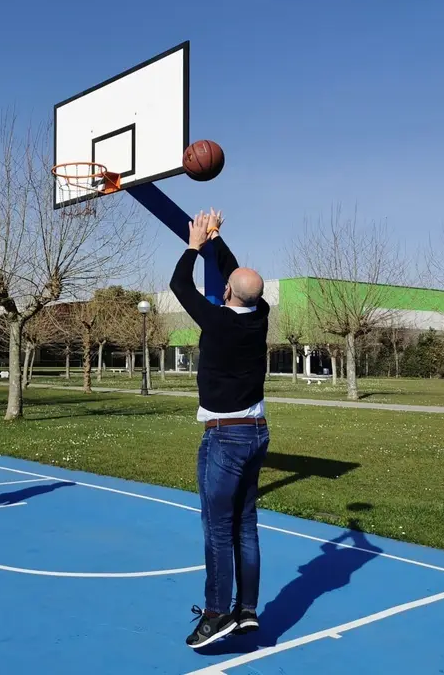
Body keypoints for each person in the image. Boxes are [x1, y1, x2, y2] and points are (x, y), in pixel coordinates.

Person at [169, 208, 271, 649]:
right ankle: (247, 610)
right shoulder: (259, 313)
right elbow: (235, 276)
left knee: (217, 527)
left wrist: (195, 245)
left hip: (225, 437)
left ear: (227, 291)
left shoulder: (218, 320)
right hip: (257, 433)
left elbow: (179, 285)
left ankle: (216, 614)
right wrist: (215, 240)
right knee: (245, 525)